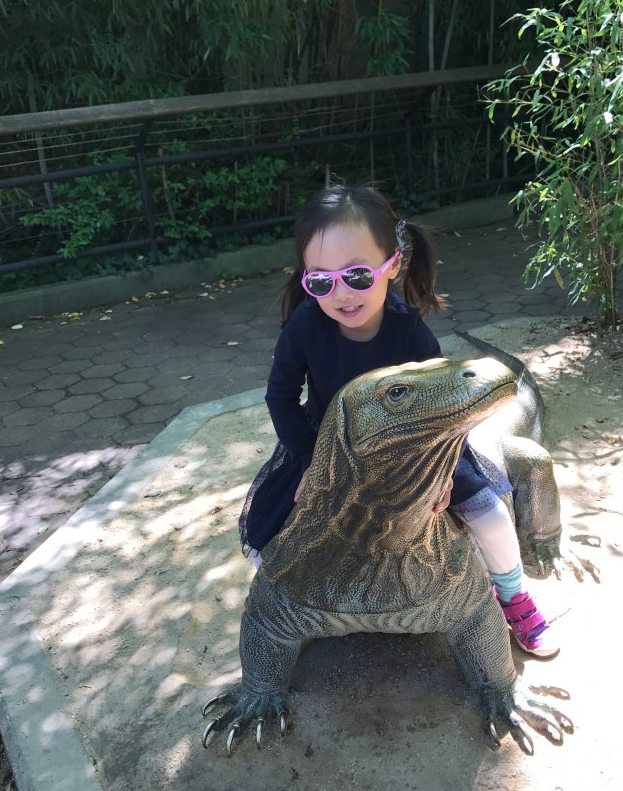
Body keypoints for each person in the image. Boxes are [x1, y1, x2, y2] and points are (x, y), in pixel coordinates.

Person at [238, 185, 559, 658]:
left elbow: (448, 408)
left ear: (393, 264)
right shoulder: (305, 325)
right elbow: (281, 397)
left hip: (419, 448)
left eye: (357, 275)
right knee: (277, 537)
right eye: (321, 281)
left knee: (489, 515)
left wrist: (443, 474)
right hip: (330, 448)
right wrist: (310, 460)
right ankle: (298, 604)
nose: (340, 293)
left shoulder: (410, 329)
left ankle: (513, 596)